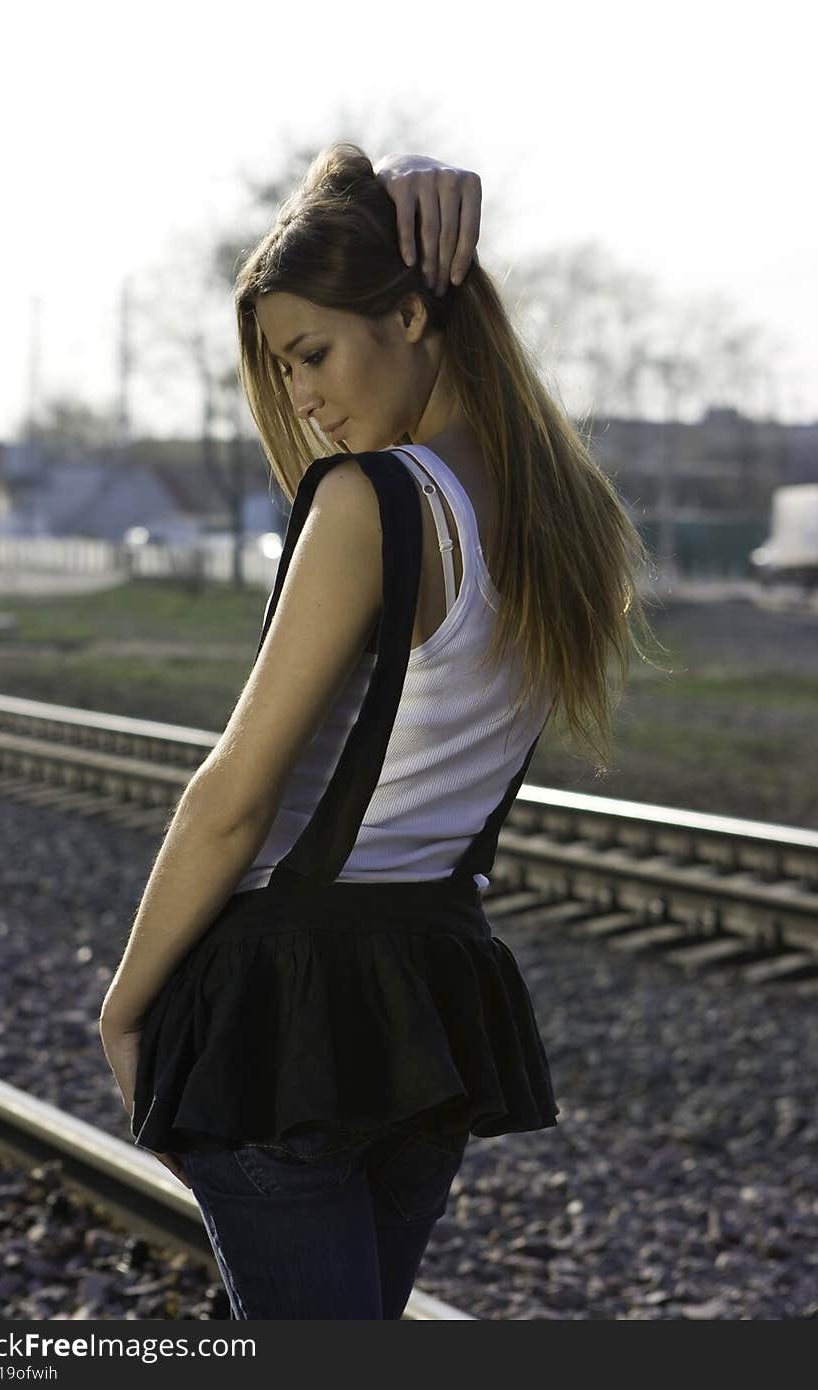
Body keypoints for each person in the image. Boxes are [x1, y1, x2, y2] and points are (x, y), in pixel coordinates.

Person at [100, 145, 662, 1319]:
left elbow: (234, 799)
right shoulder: (562, 515)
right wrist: (376, 170)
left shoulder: (372, 501)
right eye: (280, 366)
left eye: (310, 353)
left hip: (282, 1008)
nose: (300, 397)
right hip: (429, 998)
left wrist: (126, 1002)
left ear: (411, 312)